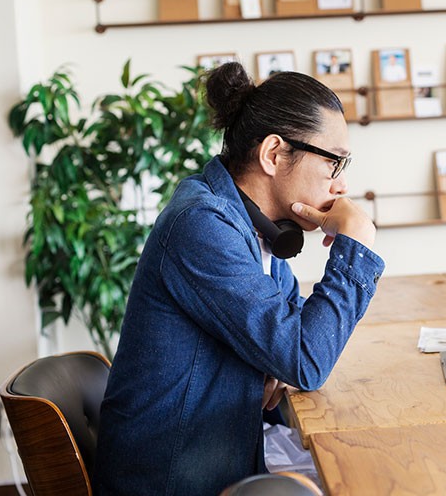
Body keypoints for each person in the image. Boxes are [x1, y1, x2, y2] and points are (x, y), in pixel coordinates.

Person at [94, 63, 385, 495]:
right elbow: (305, 359)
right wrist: (357, 246)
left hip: (213, 458)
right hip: (173, 480)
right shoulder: (203, 223)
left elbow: (294, 344)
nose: (341, 186)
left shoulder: (253, 224)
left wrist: (280, 357)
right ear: (273, 154)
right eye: (334, 163)